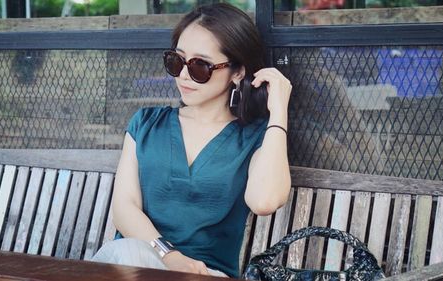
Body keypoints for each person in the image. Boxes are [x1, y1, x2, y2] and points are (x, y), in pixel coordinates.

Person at [91, 3, 292, 278]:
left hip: (207, 273)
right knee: (127, 254)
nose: (184, 75)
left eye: (200, 66)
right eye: (177, 60)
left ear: (237, 72)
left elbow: (264, 201)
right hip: (137, 263)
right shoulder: (147, 124)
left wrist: (279, 111)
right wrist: (170, 256)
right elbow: (124, 209)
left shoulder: (255, 137)